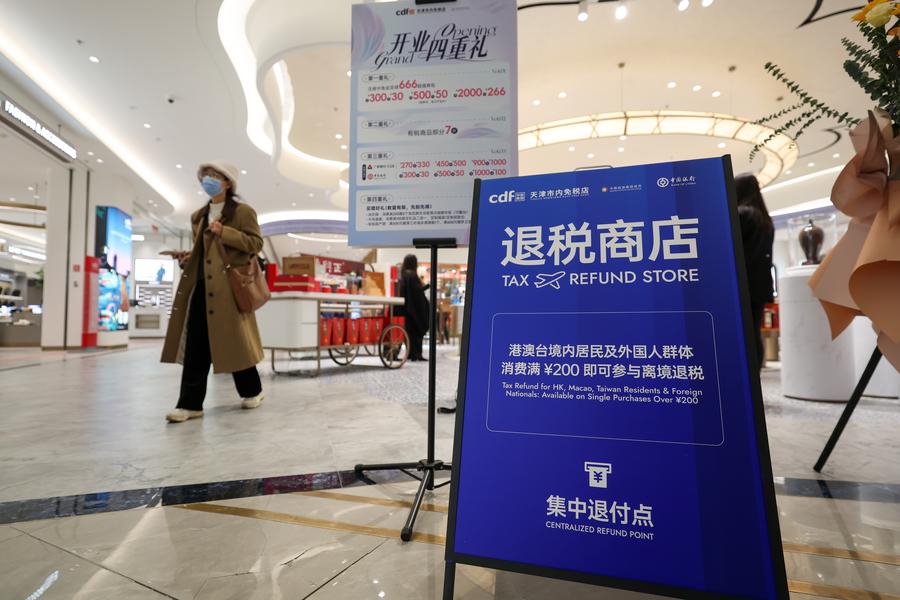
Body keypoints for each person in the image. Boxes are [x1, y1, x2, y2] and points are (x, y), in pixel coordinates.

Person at [160, 161, 265, 422]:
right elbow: (204, 253)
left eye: (214, 175)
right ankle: (190, 404)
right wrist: (186, 258)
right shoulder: (198, 216)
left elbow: (255, 244)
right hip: (201, 286)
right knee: (196, 345)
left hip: (229, 288)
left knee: (235, 342)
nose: (208, 179)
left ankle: (252, 390)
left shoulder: (242, 212)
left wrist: (225, 232)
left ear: (227, 182)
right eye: (205, 175)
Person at [735, 173, 775, 371]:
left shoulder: (741, 214)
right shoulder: (765, 220)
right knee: (753, 332)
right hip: (760, 286)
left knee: (741, 333)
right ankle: (753, 377)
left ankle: (744, 376)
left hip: (742, 285)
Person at [397, 254, 430, 361]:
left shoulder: (404, 275)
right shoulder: (412, 275)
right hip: (415, 309)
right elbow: (417, 292)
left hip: (407, 309)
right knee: (417, 332)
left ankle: (411, 353)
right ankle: (416, 354)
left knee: (410, 332)